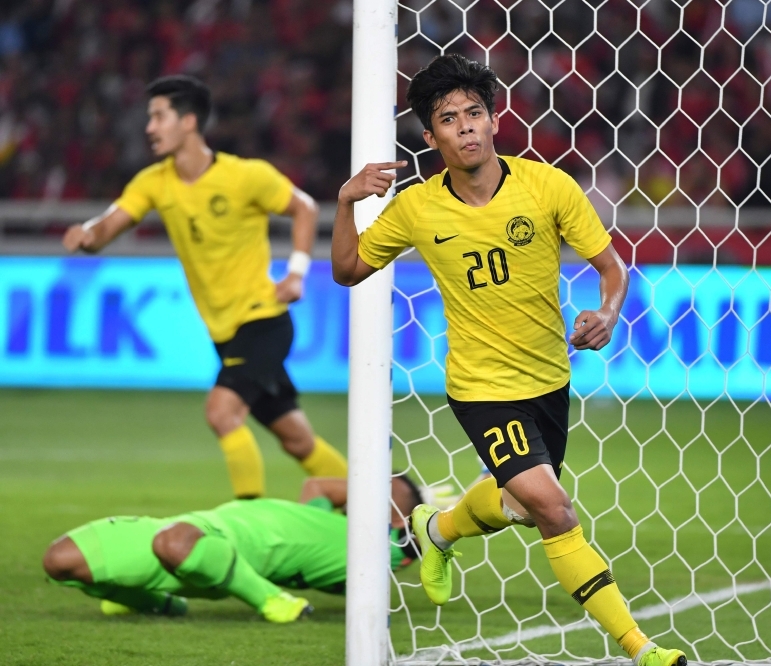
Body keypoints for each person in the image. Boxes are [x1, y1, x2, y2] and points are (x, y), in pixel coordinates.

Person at [331, 54, 686, 666]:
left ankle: (435, 531)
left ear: (494, 121)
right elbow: (347, 269)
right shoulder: (416, 208)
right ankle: (642, 648)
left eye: (475, 113)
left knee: (522, 504)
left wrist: (606, 313)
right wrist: (344, 202)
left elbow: (611, 268)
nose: (465, 127)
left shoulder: (548, 187)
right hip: (480, 388)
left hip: (548, 380)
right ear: (430, 135)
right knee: (553, 508)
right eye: (449, 118)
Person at [61, 75, 346, 499]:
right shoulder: (153, 182)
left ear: (189, 121)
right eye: (150, 118)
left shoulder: (244, 175)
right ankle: (390, 501)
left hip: (263, 322)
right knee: (297, 440)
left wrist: (296, 272)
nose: (149, 128)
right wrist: (86, 234)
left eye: (159, 117)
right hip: (225, 335)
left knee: (221, 412)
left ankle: (246, 521)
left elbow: (304, 208)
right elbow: (109, 225)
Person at [42, 474, 422, 622]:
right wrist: (373, 482)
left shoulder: (377, 548)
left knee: (174, 543)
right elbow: (317, 485)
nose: (373, 490)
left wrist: (422, 513)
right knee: (58, 561)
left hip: (224, 546)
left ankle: (273, 601)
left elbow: (431, 536)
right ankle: (151, 601)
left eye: (386, 492)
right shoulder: (322, 513)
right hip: (200, 522)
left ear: (399, 521)